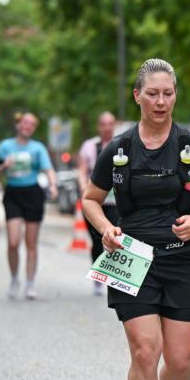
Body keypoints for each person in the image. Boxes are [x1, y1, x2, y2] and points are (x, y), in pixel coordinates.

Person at [82, 58, 190, 380]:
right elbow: (91, 200)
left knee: (179, 361)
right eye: (153, 93)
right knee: (145, 350)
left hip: (184, 258)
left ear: (175, 95)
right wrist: (105, 228)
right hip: (132, 257)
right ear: (137, 95)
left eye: (168, 93)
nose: (161, 101)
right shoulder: (121, 148)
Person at [0, 113, 58, 300]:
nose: (28, 126)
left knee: (31, 243)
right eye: (25, 122)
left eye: (32, 124)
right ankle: (14, 279)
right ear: (18, 124)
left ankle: (29, 284)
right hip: (12, 194)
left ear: (34, 128)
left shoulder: (37, 148)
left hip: (33, 194)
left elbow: (48, 168)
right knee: (13, 242)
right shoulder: (5, 146)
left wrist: (52, 185)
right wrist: (4, 166)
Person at [78, 111, 120, 295]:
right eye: (103, 124)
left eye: (110, 124)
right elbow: (82, 170)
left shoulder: (122, 144)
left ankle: (114, 278)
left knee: (116, 239)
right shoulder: (89, 146)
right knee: (97, 242)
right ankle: (98, 277)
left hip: (116, 202)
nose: (107, 127)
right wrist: (84, 190)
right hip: (95, 202)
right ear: (98, 126)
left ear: (115, 125)